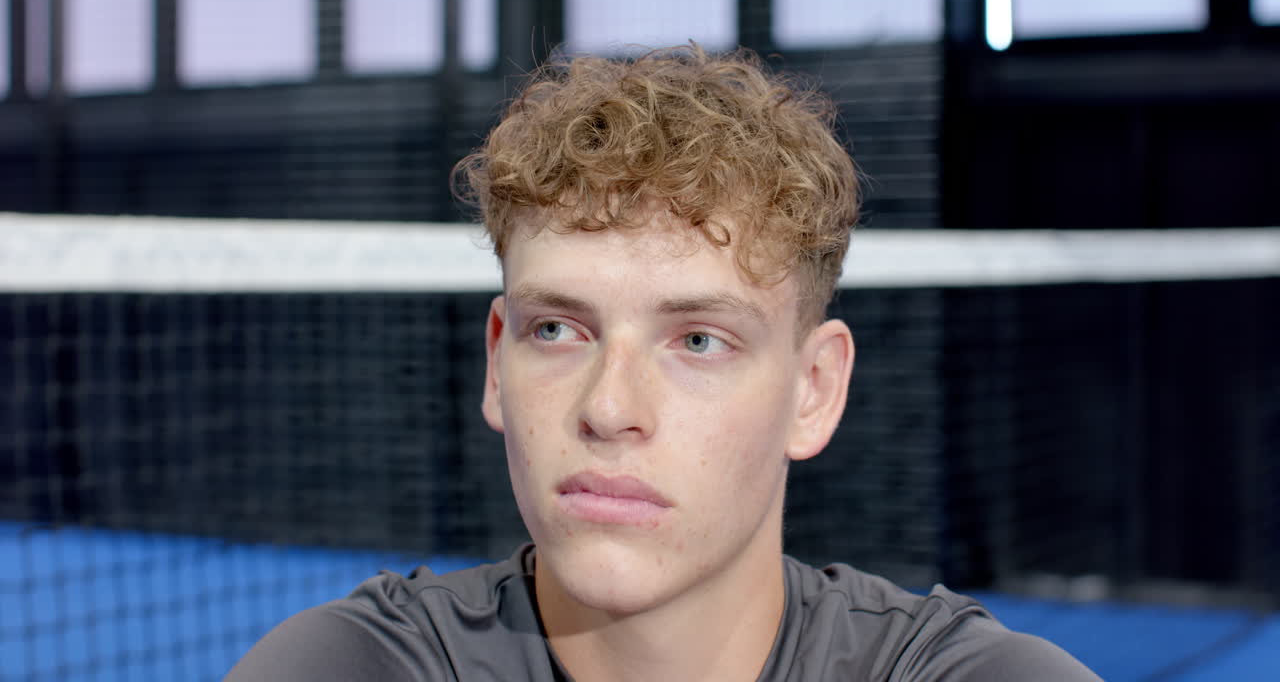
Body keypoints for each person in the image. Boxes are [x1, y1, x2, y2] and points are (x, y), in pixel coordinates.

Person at [226, 45, 1098, 681]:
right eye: (559, 331)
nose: (609, 408)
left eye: (698, 341)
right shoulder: (352, 668)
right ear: (497, 364)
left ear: (814, 391)